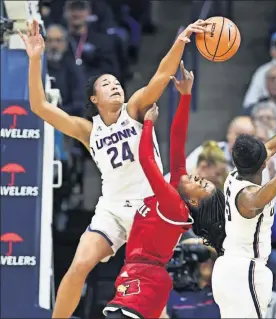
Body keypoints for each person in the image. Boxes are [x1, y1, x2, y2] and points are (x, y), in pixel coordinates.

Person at [19, 19, 210, 318]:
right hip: (111, 208)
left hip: (149, 210)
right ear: (95, 99)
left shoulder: (134, 108)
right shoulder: (87, 130)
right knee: (80, 264)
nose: (115, 85)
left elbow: (162, 73)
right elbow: (40, 106)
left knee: (148, 289)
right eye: (106, 84)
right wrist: (34, 59)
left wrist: (181, 39)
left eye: (117, 82)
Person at [103, 64, 225, 319]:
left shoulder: (174, 204)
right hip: (140, 274)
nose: (197, 177)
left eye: (201, 185)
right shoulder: (178, 187)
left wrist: (147, 125)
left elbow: (147, 161)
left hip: (144, 279)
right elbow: (178, 139)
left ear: (193, 200)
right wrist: (185, 96)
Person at [193, 114, 276, 318]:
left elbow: (270, 147)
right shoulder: (247, 197)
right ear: (264, 164)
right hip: (245, 271)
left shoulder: (234, 176)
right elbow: (257, 199)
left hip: (229, 268)